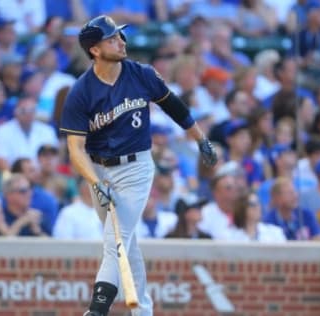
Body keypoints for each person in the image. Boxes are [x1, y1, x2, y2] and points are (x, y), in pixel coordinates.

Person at [60, 15, 217, 316]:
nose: (121, 42)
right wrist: (94, 182)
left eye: (120, 36)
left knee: (115, 238)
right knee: (126, 246)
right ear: (94, 49)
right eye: (112, 38)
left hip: (136, 167)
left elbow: (174, 107)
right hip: (99, 169)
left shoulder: (141, 73)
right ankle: (143, 311)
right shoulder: (81, 91)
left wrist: (201, 139)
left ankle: (97, 309)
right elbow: (75, 150)